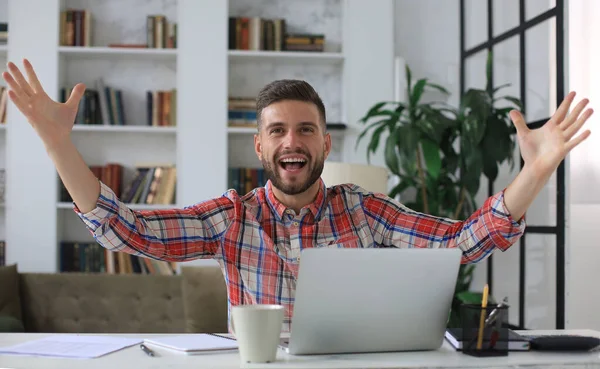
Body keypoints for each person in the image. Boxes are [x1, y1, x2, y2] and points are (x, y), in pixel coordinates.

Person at [1, 59, 593, 333]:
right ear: (260, 147)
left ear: (324, 143)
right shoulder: (231, 218)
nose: (292, 141)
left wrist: (536, 168)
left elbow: (462, 243)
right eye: (278, 131)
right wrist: (58, 144)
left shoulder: (362, 209)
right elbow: (126, 229)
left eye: (305, 129)